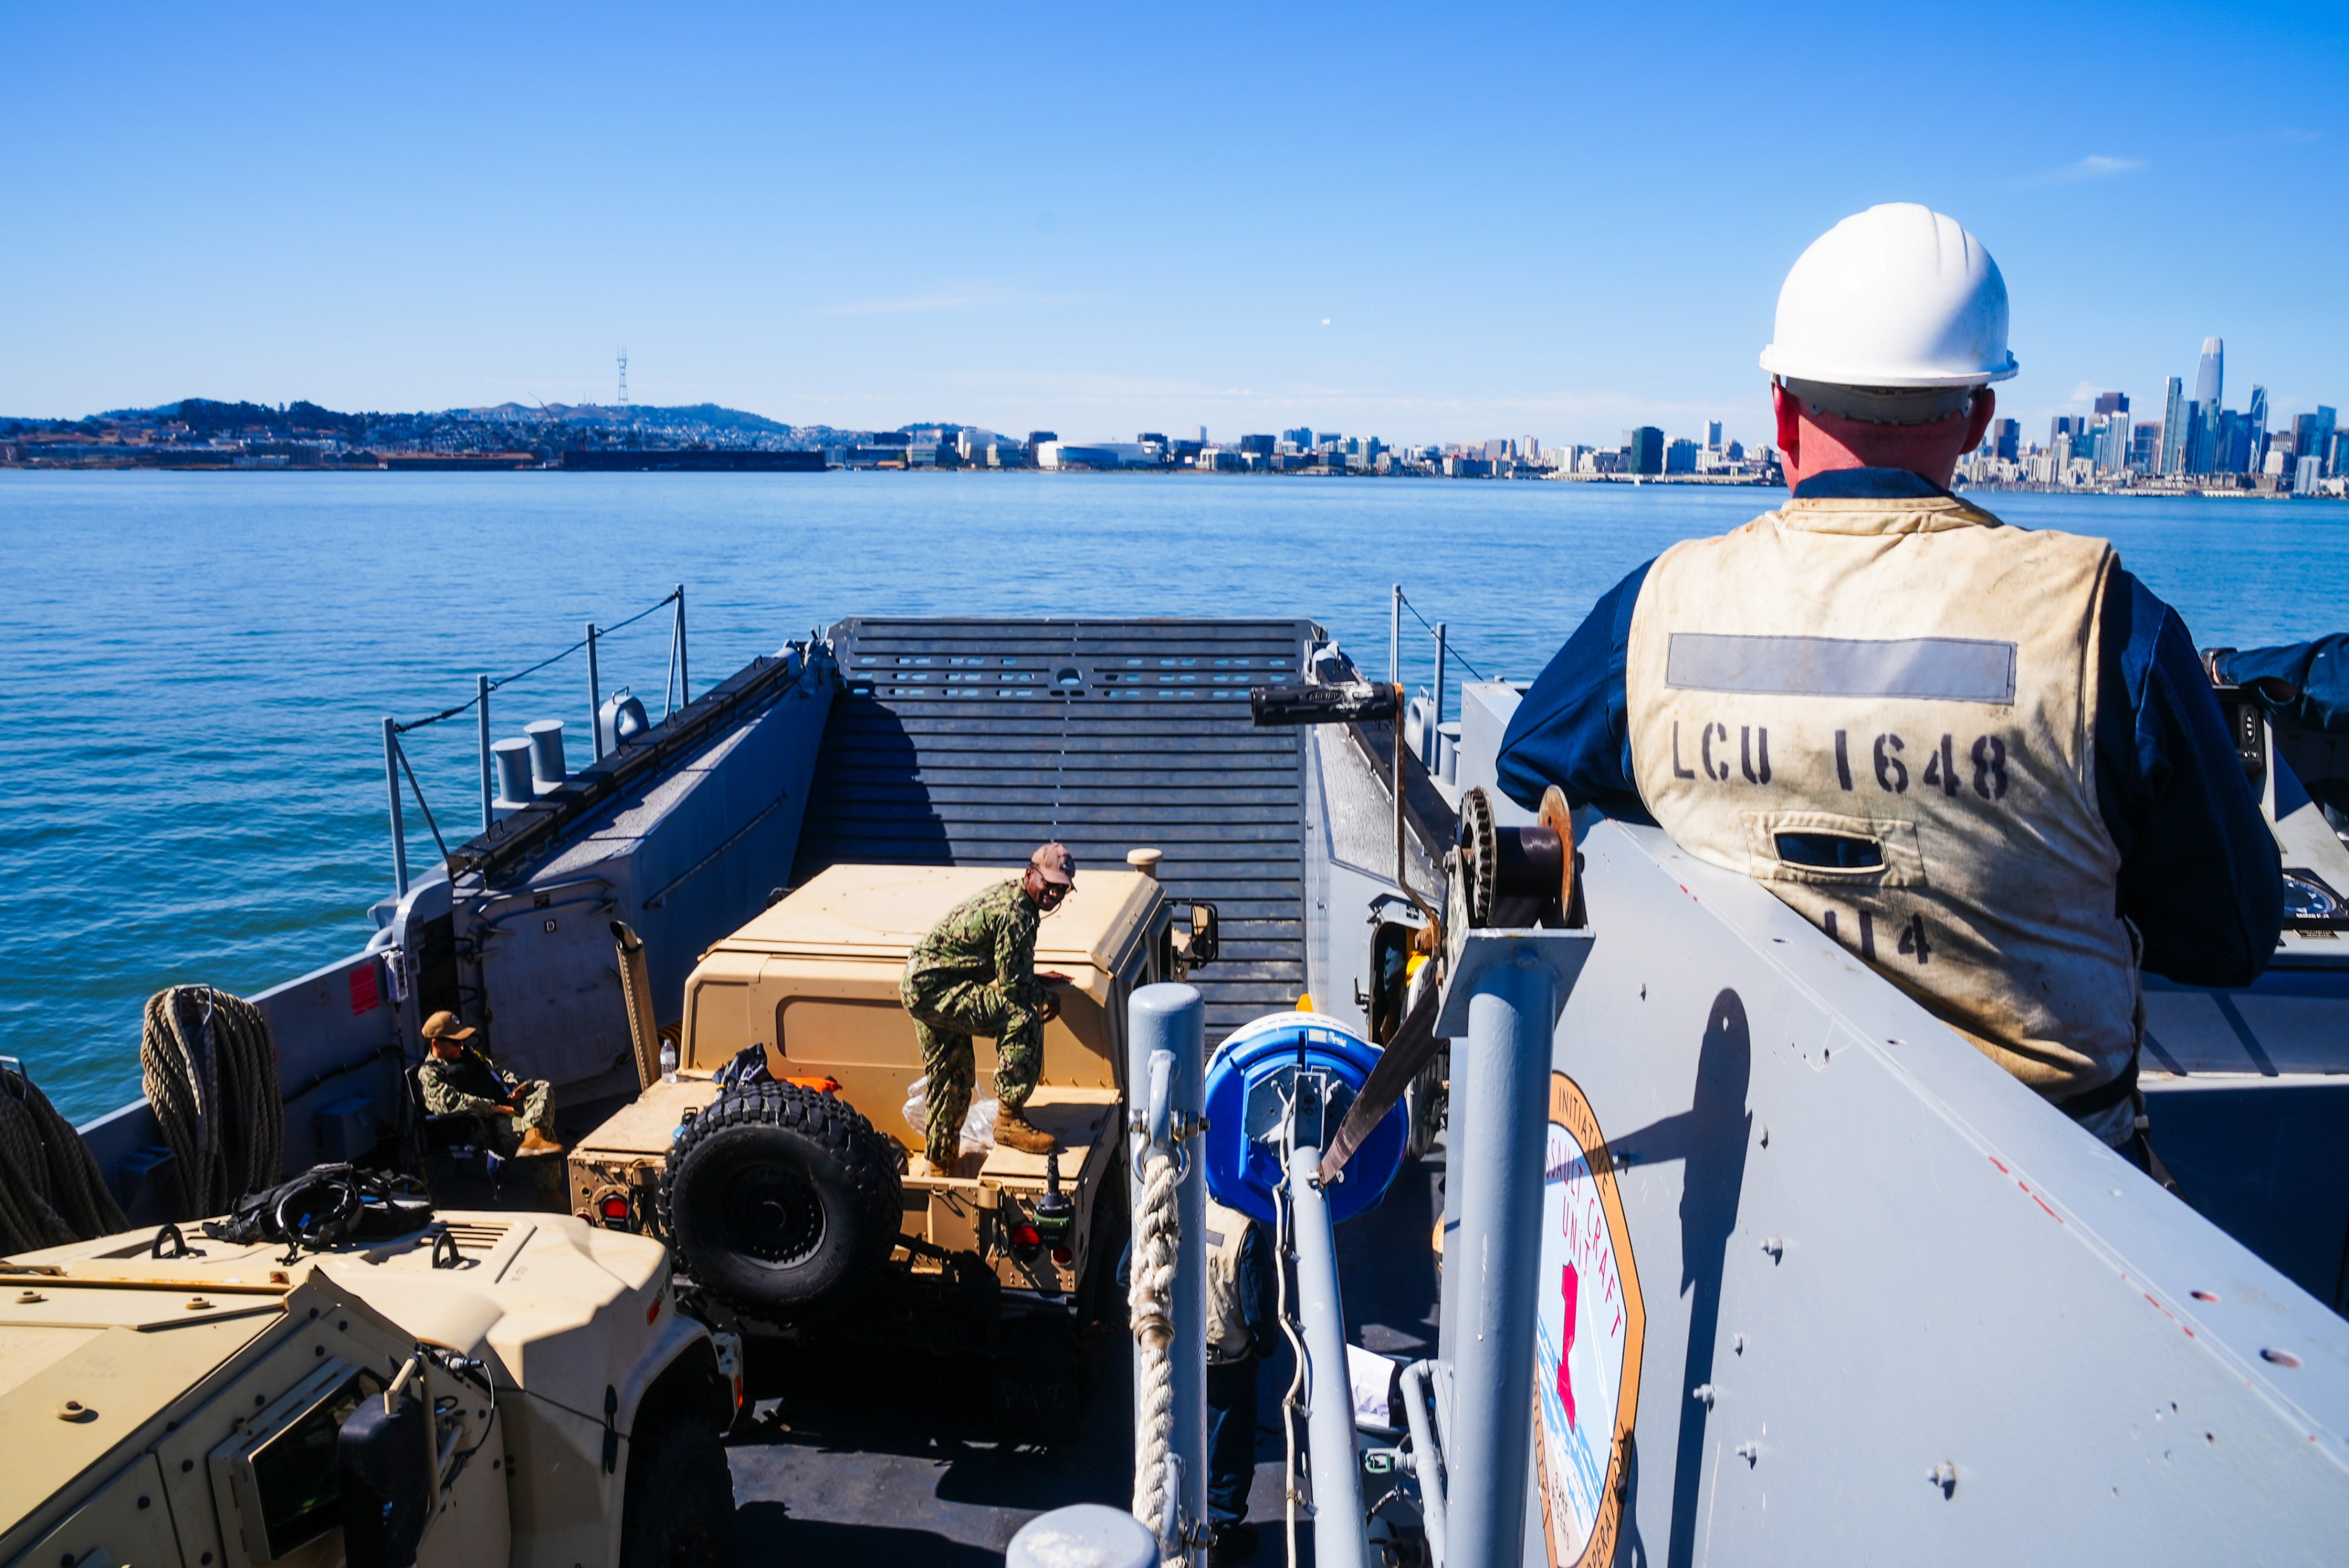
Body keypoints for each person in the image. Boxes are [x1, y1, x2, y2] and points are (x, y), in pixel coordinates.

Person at [1495, 203, 2282, 1179]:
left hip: (1752, 1148)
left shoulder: (1660, 604)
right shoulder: (2100, 619)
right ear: (1982, 418)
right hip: (2050, 1184)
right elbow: (2235, 935)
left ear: (1781, 411)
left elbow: (1529, 756)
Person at [900, 842, 1077, 1168]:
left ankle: (940, 1163)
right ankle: (1009, 1120)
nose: (1054, 894)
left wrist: (1034, 976)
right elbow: (1013, 985)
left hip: (921, 984)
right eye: (1049, 884)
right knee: (1021, 1019)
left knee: (950, 1078)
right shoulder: (1018, 914)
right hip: (938, 987)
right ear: (1030, 875)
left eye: (1062, 889)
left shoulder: (1010, 896)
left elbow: (1003, 966)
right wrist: (1044, 994)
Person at [417, 1010, 563, 1157]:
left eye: (463, 1040)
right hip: (481, 1124)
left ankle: (533, 1137)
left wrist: (513, 1087)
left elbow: (496, 1072)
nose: (461, 1045)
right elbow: (449, 1103)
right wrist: (494, 1108)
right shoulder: (430, 1072)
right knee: (546, 1135)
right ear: (436, 1043)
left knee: (543, 1087)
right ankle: (535, 1137)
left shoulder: (468, 1054)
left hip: (506, 1106)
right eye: (456, 1042)